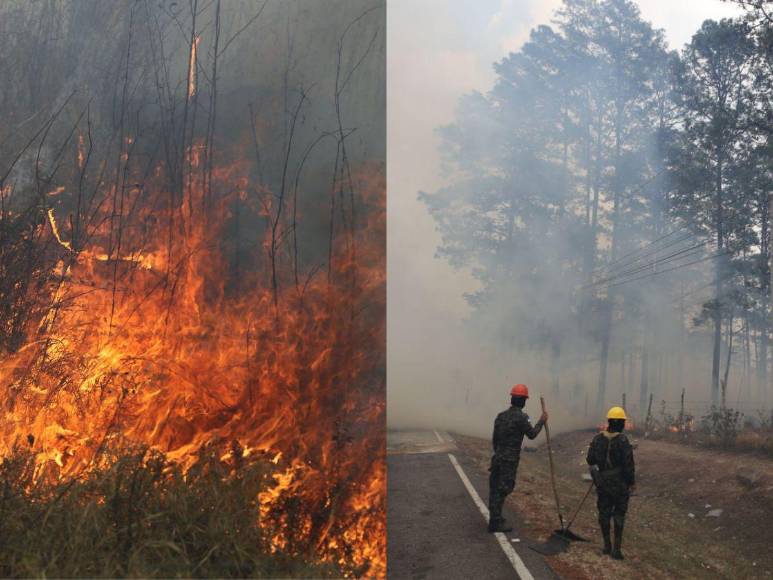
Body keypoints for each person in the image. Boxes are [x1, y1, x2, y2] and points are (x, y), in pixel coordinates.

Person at [487, 383, 547, 533]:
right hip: (509, 460)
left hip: (497, 457)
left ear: (512, 399)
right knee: (504, 488)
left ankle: (496, 517)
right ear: (524, 401)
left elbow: (494, 440)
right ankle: (495, 522)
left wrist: (499, 452)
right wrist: (542, 421)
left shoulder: (500, 416)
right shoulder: (522, 418)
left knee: (495, 487)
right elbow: (532, 434)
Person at [586, 406, 636, 559]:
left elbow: (590, 459)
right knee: (619, 515)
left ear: (608, 422)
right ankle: (617, 549)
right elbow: (628, 465)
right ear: (621, 423)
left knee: (604, 514)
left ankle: (606, 546)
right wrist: (631, 482)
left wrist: (597, 475)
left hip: (603, 484)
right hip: (620, 484)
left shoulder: (597, 439)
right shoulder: (623, 440)